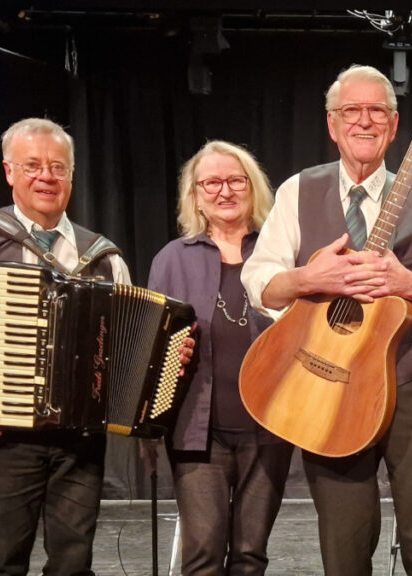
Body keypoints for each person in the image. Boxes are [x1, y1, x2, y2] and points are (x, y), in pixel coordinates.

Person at [242, 64, 412, 576]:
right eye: (352, 110)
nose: (364, 121)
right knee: (343, 548)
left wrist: (411, 286)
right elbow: (259, 282)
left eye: (378, 111)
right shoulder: (296, 192)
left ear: (395, 127)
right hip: (328, 383)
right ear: (332, 124)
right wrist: (309, 277)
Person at [0, 118, 134, 576]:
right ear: (9, 172)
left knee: (74, 562)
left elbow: (129, 342)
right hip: (6, 431)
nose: (46, 177)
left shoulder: (104, 257)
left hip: (82, 438)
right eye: (32, 166)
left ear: (72, 176)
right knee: (2, 561)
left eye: (57, 167)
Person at [147, 141, 293, 575]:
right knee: (203, 556)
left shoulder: (281, 254)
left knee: (250, 556)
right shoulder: (172, 259)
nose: (224, 191)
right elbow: (149, 347)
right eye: (211, 182)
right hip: (197, 433)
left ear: (253, 188)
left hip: (270, 427)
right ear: (195, 195)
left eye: (235, 180)